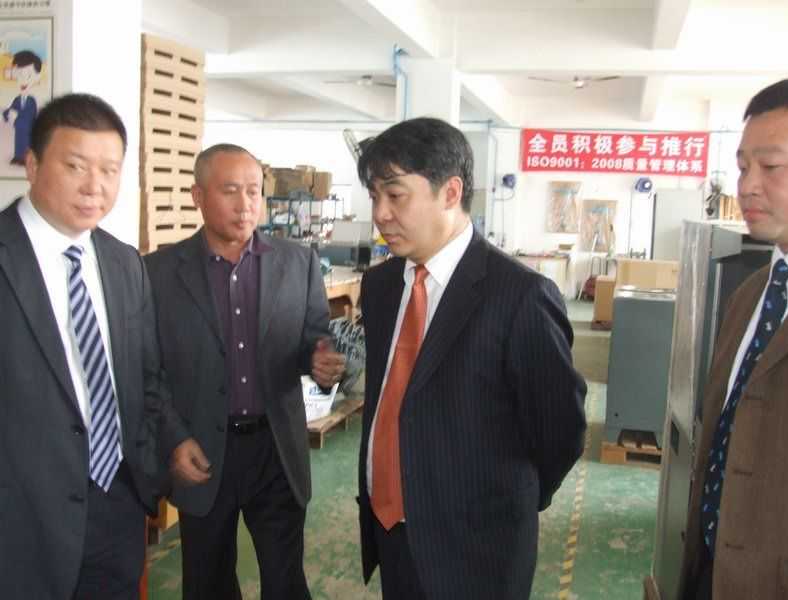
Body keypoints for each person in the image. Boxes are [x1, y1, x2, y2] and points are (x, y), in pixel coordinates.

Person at [355, 117, 587, 600]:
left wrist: (509, 502)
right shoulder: (380, 287)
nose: (380, 213)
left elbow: (560, 430)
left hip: (478, 547)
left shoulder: (519, 296)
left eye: (395, 195)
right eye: (374, 196)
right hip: (391, 529)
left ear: (450, 192)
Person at [0, 93, 185, 599]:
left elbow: (146, 376)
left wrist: (149, 465)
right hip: (19, 519)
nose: (94, 187)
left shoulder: (124, 263)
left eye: (109, 170)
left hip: (116, 503)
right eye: (76, 166)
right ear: (32, 165)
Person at [144, 143, 345, 600]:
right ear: (198, 196)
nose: (245, 204)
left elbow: (314, 339)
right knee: (208, 583)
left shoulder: (298, 263)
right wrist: (174, 438)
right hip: (201, 451)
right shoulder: (158, 274)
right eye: (230, 190)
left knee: (285, 581)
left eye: (254, 191)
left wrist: (318, 361)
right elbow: (148, 371)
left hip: (276, 450)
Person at [678, 78, 788, 599]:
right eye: (743, 167)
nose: (747, 186)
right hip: (713, 569)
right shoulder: (751, 295)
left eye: (770, 167)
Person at [3, 50, 42, 165]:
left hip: (27, 128)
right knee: (18, 141)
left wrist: (17, 117)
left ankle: (25, 158)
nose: (23, 80)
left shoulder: (32, 100)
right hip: (19, 128)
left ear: (37, 77)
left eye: (28, 75)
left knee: (26, 142)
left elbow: (30, 114)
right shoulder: (17, 99)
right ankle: (18, 156)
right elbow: (11, 109)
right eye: (19, 75)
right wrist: (7, 113)